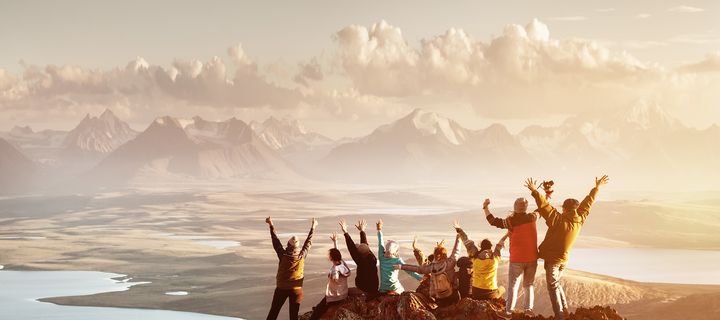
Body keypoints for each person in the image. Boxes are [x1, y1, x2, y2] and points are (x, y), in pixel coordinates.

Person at [525, 175, 610, 320]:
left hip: (554, 260)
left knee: (552, 287)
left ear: (564, 209)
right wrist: (597, 188)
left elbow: (545, 207)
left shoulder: (558, 220)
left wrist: (534, 191)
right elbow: (588, 203)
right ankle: (564, 311)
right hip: (564, 260)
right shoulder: (580, 219)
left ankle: (560, 316)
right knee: (556, 285)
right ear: (576, 209)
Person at [484, 198, 539, 317]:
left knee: (513, 286)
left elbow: (493, 221)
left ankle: (508, 312)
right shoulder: (533, 217)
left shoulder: (510, 221)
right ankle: (528, 310)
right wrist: (546, 195)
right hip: (532, 258)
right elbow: (541, 209)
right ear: (525, 207)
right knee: (528, 284)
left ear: (515, 207)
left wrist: (486, 208)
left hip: (517, 259)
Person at [265, 217, 317, 320]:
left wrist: (271, 224)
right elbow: (308, 242)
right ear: (297, 247)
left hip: (281, 288)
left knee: (274, 312)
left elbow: (275, 240)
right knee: (293, 315)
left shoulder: (283, 254)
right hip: (296, 290)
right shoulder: (302, 255)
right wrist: (313, 227)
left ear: (288, 245)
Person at [395, 234, 462, 307]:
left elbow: (418, 268)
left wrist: (401, 266)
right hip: (452, 294)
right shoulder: (449, 263)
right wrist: (459, 236)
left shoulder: (431, 267)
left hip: (439, 297)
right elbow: (456, 251)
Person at [455, 220, 508, 301]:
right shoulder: (495, 257)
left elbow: (468, 242)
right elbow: (501, 243)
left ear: (481, 247)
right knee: (502, 289)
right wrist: (508, 234)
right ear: (490, 247)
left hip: (476, 291)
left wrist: (459, 230)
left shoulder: (475, 256)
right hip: (491, 293)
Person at [309, 233, 351, 320]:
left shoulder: (335, 269)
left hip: (336, 296)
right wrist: (335, 241)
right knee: (321, 304)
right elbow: (337, 252)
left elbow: (336, 278)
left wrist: (334, 277)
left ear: (331, 258)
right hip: (343, 293)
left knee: (319, 309)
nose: (327, 256)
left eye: (329, 255)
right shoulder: (342, 263)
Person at [376, 219, 422, 294]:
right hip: (395, 287)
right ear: (396, 251)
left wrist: (379, 229)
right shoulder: (397, 260)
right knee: (404, 293)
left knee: (381, 291)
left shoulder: (381, 257)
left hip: (383, 288)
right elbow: (409, 271)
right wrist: (420, 278)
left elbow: (380, 243)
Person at [339, 218, 379, 300]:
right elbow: (364, 245)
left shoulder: (362, 262)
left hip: (363, 290)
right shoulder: (372, 258)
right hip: (374, 289)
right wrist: (362, 231)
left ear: (360, 255)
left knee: (343, 292)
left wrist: (345, 232)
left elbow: (352, 249)